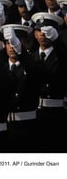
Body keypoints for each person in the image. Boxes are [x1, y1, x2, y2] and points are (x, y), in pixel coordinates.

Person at [0, 24, 41, 152]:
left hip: (27, 127)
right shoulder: (1, 69)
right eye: (9, 43)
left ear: (25, 44)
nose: (12, 46)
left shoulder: (33, 64)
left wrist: (20, 50)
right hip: (4, 128)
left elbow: (32, 69)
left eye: (16, 42)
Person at [30, 12, 67, 152]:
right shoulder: (31, 57)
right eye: (39, 30)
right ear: (35, 34)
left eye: (47, 31)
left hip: (55, 114)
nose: (43, 34)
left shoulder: (62, 55)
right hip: (34, 113)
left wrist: (57, 40)